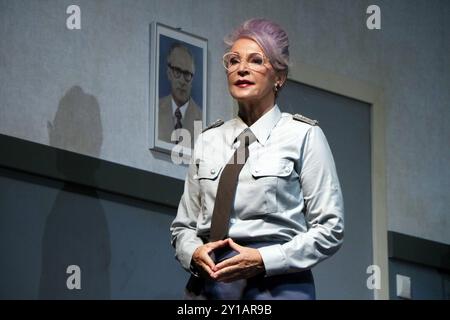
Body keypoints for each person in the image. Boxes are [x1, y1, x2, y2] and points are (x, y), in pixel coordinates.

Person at [170, 18, 344, 300]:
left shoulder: (304, 136)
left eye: (255, 60)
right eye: (234, 60)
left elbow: (330, 229)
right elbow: (184, 226)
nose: (241, 69)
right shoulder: (207, 140)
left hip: (277, 286)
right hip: (210, 286)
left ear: (279, 77)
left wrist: (264, 259)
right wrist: (193, 253)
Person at [159, 42, 202, 147]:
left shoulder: (202, 120)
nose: (182, 81)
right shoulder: (155, 109)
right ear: (169, 73)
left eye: (187, 74)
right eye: (177, 71)